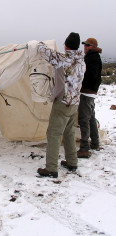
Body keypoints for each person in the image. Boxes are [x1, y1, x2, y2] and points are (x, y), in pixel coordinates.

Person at [37, 32, 86, 178]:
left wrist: (39, 43)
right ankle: (72, 162)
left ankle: (51, 168)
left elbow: (42, 50)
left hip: (62, 103)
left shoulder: (62, 59)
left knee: (53, 134)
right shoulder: (82, 62)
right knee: (69, 133)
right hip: (75, 103)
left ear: (66, 45)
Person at [77, 38, 103, 158]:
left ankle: (84, 148)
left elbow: (91, 75)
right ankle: (95, 143)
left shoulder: (92, 58)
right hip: (91, 92)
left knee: (83, 119)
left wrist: (80, 80)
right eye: (85, 45)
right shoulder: (94, 57)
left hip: (87, 92)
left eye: (88, 45)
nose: (85, 47)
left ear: (93, 46)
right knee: (91, 118)